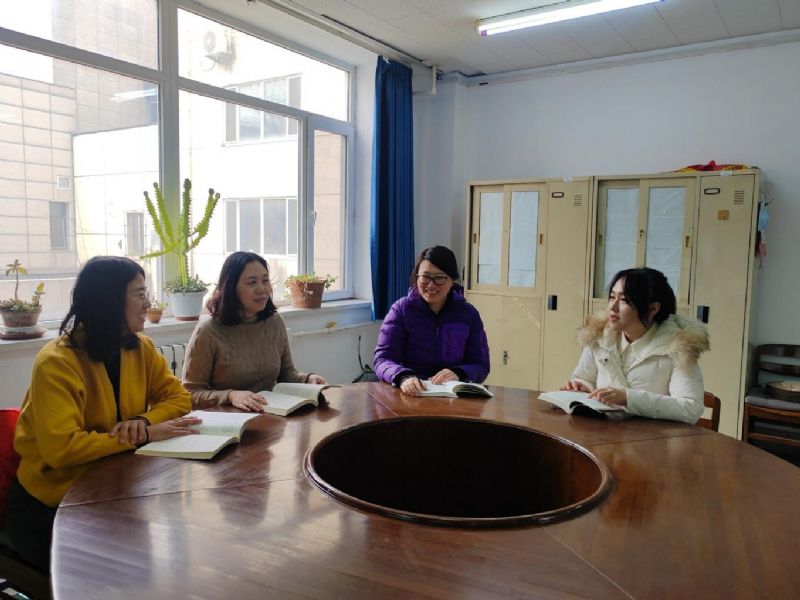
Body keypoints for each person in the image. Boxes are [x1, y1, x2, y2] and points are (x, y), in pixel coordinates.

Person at [8, 256, 198, 571]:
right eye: (139, 293)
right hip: (50, 505)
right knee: (117, 572)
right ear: (109, 301)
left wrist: (142, 421)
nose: (148, 303)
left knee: (154, 562)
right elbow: (62, 449)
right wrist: (142, 436)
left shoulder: (140, 347)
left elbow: (178, 397)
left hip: (114, 488)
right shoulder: (56, 363)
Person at [561, 267, 709, 424]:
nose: (612, 307)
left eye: (624, 300)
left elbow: (690, 408)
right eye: (612, 297)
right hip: (601, 431)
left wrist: (629, 398)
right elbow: (584, 378)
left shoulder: (678, 347)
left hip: (651, 436)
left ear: (653, 309)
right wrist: (580, 386)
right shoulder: (599, 335)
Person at [183, 252, 326, 411]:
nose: (262, 289)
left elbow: (286, 374)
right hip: (228, 417)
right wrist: (230, 396)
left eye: (265, 281)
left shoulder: (274, 322)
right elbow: (190, 393)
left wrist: (308, 379)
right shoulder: (208, 330)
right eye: (252, 282)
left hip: (270, 413)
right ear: (231, 288)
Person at [374, 245, 490, 396]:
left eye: (440, 278)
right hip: (411, 394)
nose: (431, 285)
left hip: (453, 397)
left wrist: (459, 373)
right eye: (425, 277)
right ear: (417, 277)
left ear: (452, 280)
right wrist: (403, 377)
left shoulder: (468, 314)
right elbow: (383, 359)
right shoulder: (401, 310)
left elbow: (480, 364)